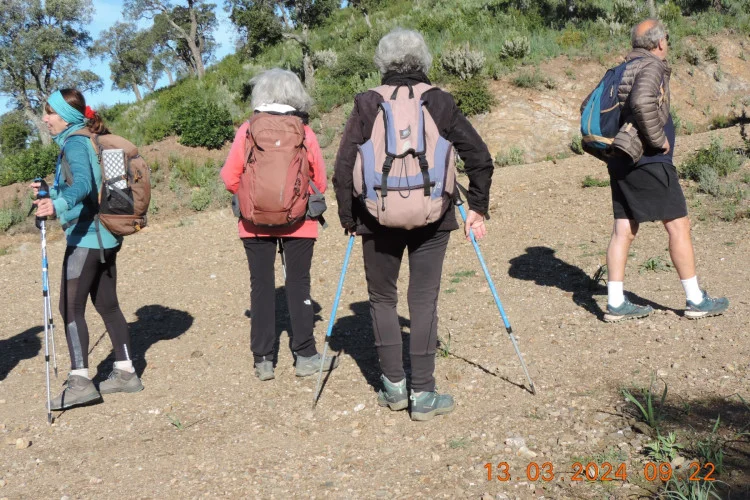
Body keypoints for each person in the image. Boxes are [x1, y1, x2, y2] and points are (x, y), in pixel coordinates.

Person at [333, 28, 494, 421]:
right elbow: (479, 156)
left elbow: (342, 167)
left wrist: (349, 218)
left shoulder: (367, 102)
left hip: (376, 216)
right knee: (423, 300)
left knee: (382, 299)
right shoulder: (439, 101)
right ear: (423, 59)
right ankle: (423, 393)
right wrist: (477, 207)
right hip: (433, 216)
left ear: (382, 62)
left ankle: (393, 388)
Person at [600, 19, 728, 322]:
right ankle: (696, 299)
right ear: (659, 43)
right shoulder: (651, 65)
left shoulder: (618, 70)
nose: (667, 43)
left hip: (621, 158)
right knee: (678, 225)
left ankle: (616, 303)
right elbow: (642, 101)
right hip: (648, 158)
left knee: (623, 229)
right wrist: (658, 141)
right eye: (666, 38)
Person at [221, 68, 337, 381]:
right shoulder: (304, 131)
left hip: (254, 223)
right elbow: (320, 181)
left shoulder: (247, 130)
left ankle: (263, 360)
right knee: (299, 282)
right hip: (300, 222)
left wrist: (252, 198)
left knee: (261, 286)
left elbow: (229, 178)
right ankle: (305, 356)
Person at [31, 89, 143, 411]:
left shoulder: (75, 143)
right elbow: (84, 184)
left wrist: (56, 205)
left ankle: (80, 382)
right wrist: (50, 192)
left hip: (87, 238)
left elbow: (83, 185)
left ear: (66, 116)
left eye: (50, 112)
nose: (45, 118)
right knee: (107, 304)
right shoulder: (87, 140)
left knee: (70, 307)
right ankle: (126, 372)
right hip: (107, 235)